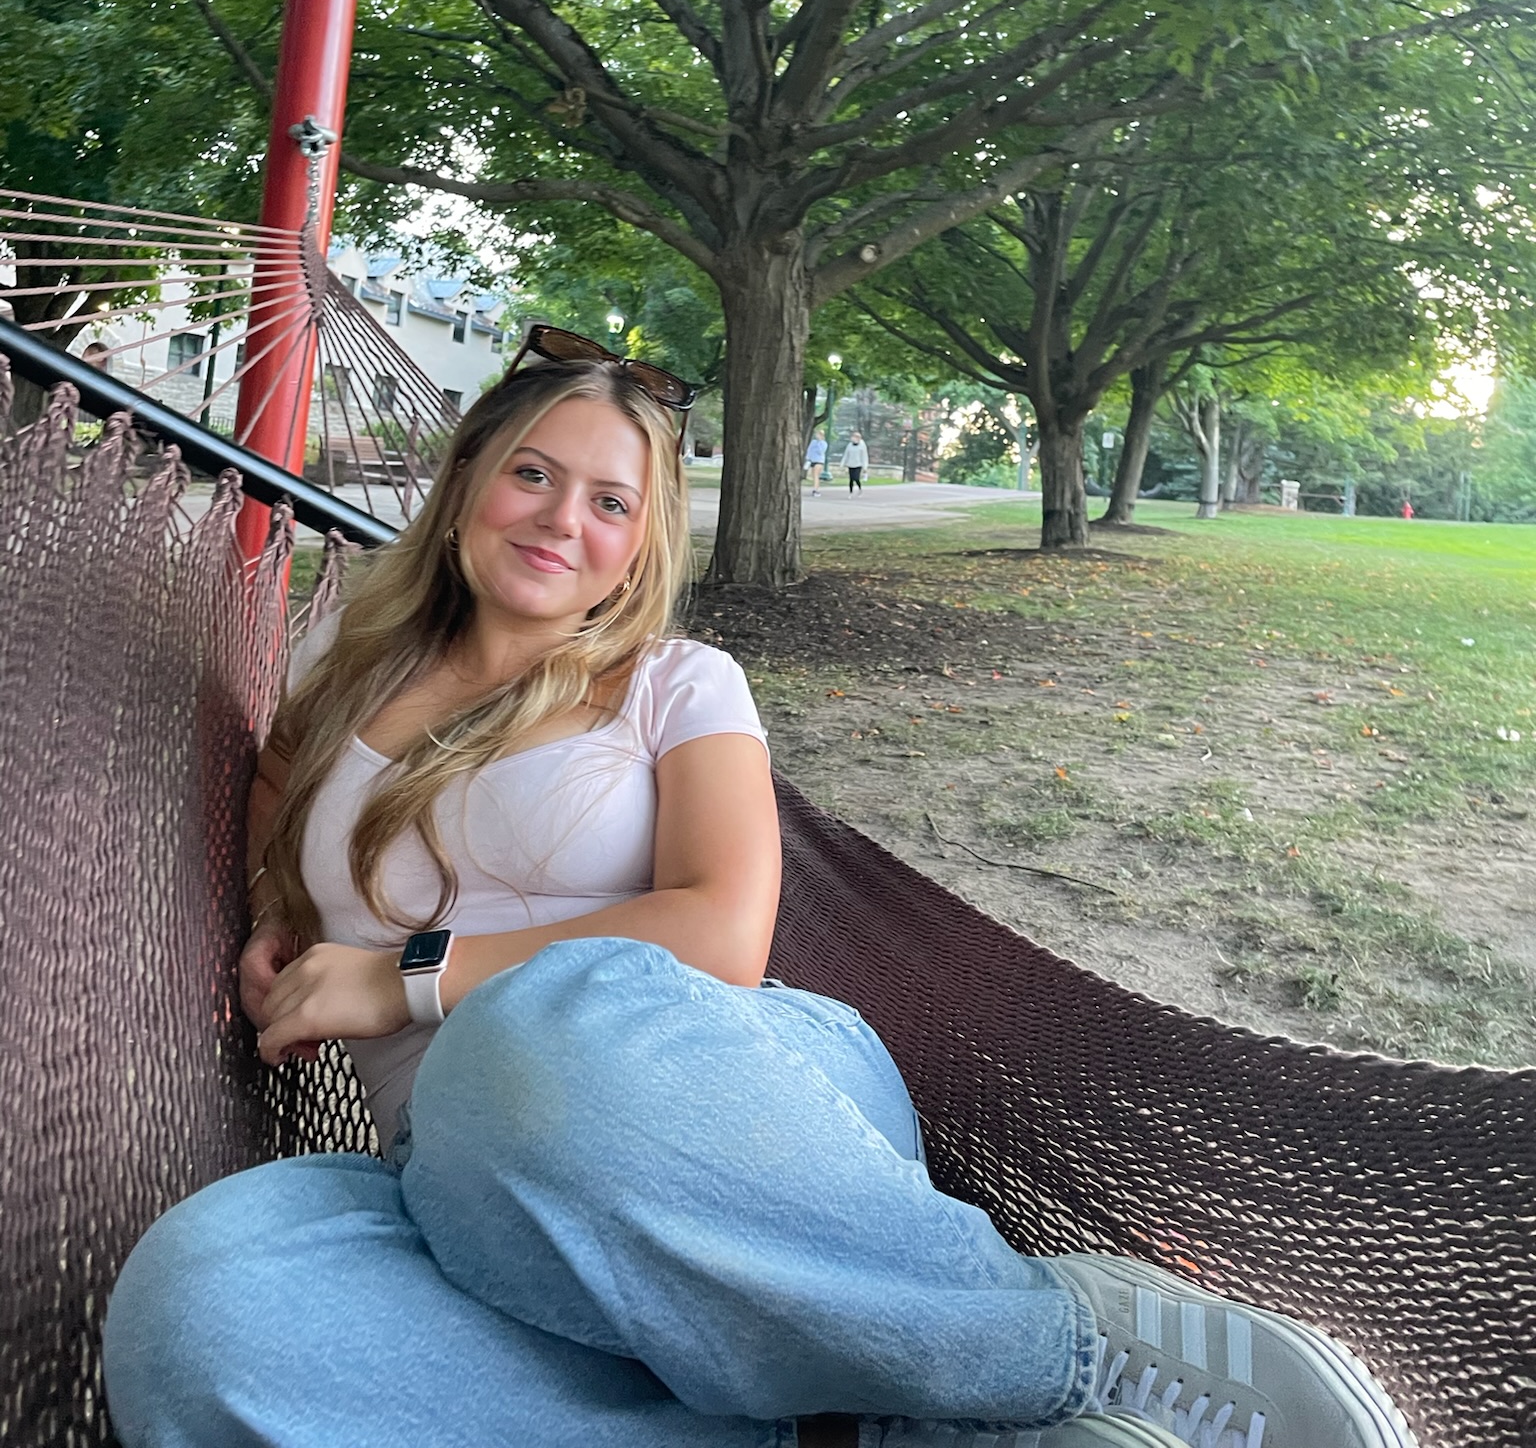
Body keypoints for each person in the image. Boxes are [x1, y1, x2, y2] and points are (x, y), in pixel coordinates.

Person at [103, 327, 1412, 1448]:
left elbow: (723, 930)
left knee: (520, 1041)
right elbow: (282, 776)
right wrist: (282, 923)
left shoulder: (681, 686)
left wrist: (406, 979)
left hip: (723, 1120)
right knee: (199, 1311)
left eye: (611, 501)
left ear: (642, 539)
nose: (565, 519)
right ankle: (858, 1423)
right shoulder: (349, 658)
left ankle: (1058, 1350)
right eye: (534, 475)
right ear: (464, 487)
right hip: (462, 1196)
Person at [805, 427, 828, 498]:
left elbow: (821, 451)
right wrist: (808, 458)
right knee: (813, 476)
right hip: (813, 460)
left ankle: (816, 490)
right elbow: (809, 450)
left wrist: (819, 442)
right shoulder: (813, 442)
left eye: (819, 434)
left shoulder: (824, 443)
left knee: (816, 475)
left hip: (819, 461)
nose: (817, 435)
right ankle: (815, 488)